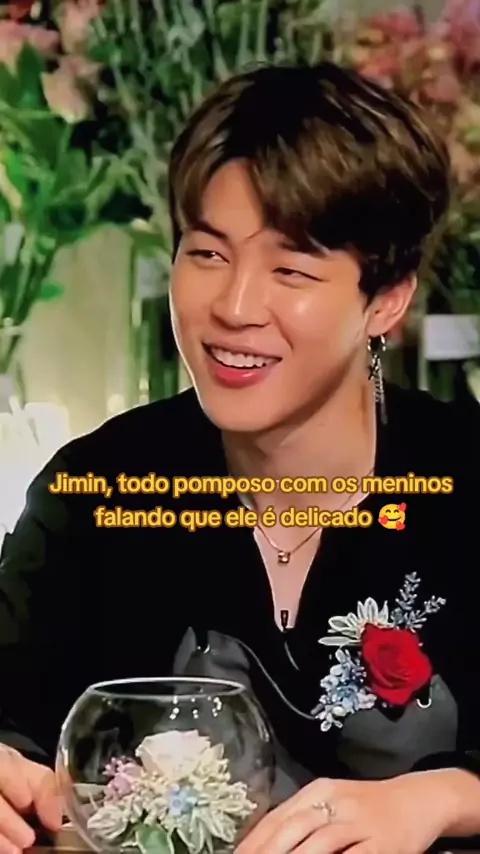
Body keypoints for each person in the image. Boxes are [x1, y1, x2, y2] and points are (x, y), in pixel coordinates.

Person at [0, 60, 480, 854]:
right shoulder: (98, 488)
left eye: (291, 270)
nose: (233, 307)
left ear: (387, 298)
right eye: (207, 254)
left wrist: (446, 799)